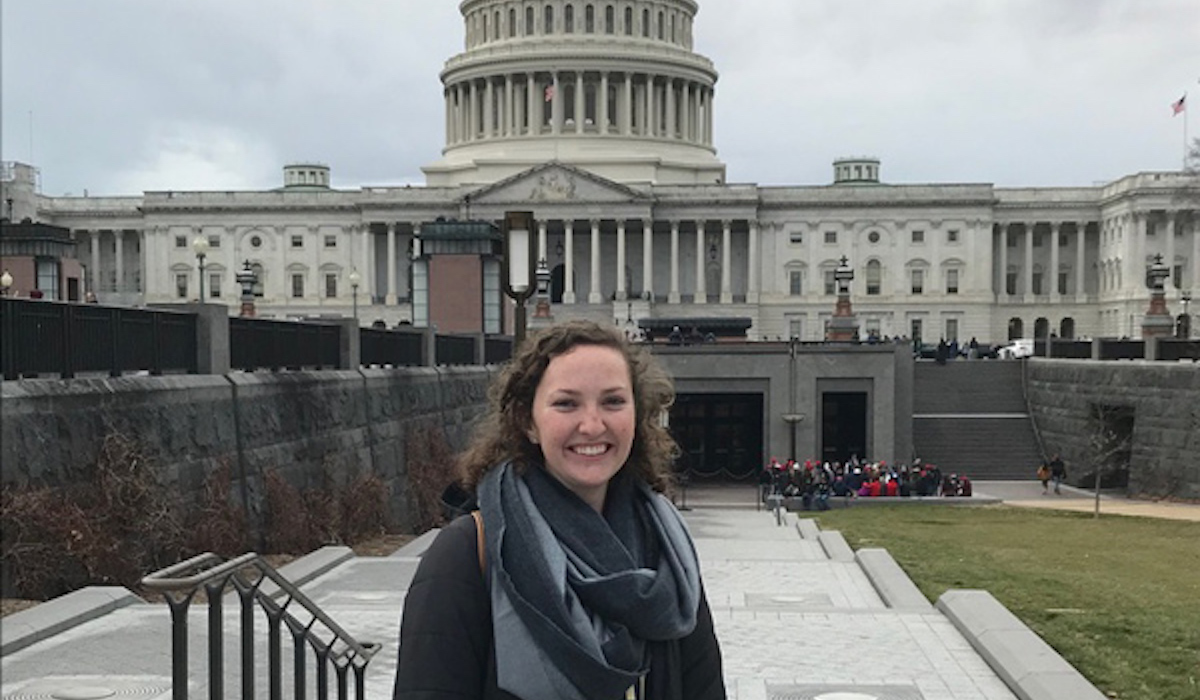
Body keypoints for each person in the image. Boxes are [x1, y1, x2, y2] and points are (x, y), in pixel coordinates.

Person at [394, 320, 725, 700]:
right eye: (566, 403)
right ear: (527, 422)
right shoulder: (467, 554)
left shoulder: (667, 551)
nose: (592, 425)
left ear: (637, 415)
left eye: (613, 401)